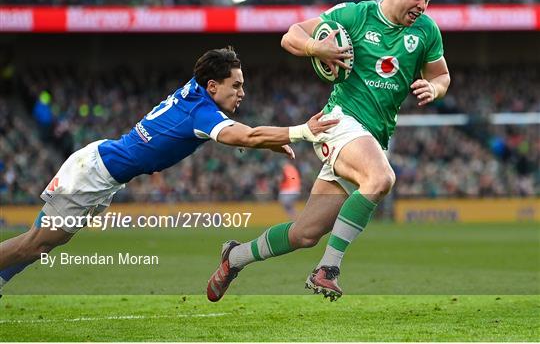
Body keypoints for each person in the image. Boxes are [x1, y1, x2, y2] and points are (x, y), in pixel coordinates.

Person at [207, 0, 451, 302]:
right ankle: (328, 269)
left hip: (373, 136)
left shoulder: (426, 30)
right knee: (381, 179)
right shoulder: (355, 15)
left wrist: (435, 88)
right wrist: (315, 47)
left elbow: (441, 75)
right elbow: (291, 35)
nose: (423, 6)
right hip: (339, 123)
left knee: (305, 233)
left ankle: (235, 257)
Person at [0, 47, 338, 294]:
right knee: (36, 243)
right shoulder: (202, 113)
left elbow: (236, 132)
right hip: (93, 173)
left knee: (47, 242)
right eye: (235, 85)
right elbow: (243, 134)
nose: (242, 92)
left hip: (100, 170)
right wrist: (300, 131)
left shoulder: (195, 93)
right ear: (212, 87)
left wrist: (265, 141)